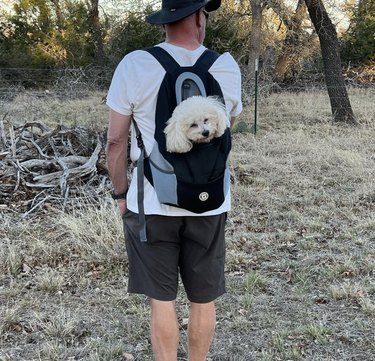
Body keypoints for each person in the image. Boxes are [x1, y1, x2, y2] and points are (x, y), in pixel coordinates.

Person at [105, 0, 242, 360]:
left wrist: (121, 193)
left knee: (162, 301)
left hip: (151, 202)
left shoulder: (135, 64)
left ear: (165, 20)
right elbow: (227, 129)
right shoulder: (225, 67)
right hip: (211, 202)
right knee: (203, 300)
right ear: (199, 17)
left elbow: (116, 140)